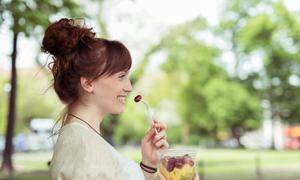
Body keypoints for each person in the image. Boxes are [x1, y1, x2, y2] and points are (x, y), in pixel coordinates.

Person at [41, 18, 169, 180]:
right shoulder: (85, 149)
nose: (129, 87)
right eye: (121, 76)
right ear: (88, 83)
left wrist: (148, 164)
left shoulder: (84, 140)